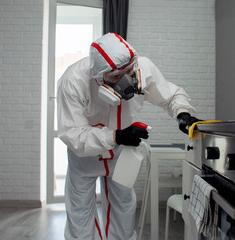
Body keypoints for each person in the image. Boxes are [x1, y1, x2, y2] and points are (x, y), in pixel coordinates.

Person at [57, 32, 201, 240]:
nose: (126, 79)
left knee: (124, 208)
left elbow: (171, 95)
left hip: (120, 156)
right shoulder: (73, 80)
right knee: (80, 214)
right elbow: (72, 134)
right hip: (85, 157)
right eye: (116, 76)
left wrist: (183, 113)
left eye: (129, 70)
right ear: (99, 76)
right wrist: (116, 136)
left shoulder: (142, 68)